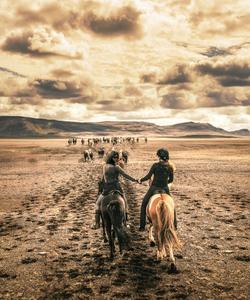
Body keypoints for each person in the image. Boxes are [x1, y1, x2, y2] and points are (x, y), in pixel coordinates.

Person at [91, 150, 139, 229]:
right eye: (115, 157)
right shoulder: (116, 167)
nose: (116, 159)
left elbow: (102, 179)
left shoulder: (105, 166)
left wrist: (101, 186)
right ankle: (126, 221)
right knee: (124, 202)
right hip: (116, 187)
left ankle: (96, 223)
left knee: (98, 204)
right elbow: (125, 175)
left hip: (106, 188)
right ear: (111, 158)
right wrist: (135, 180)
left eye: (117, 158)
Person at [138, 148, 177, 231]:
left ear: (159, 156)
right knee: (172, 205)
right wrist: (165, 182)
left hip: (154, 187)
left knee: (144, 204)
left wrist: (140, 180)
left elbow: (148, 177)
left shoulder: (155, 165)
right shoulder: (170, 167)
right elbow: (171, 180)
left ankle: (142, 226)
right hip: (165, 188)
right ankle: (174, 224)